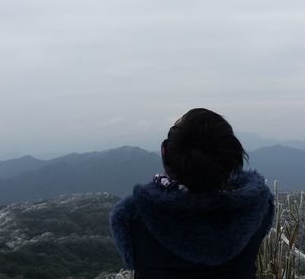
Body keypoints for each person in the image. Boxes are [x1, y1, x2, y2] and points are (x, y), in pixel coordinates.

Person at [110, 108, 274, 279]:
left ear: (166, 154)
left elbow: (132, 262)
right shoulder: (257, 209)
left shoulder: (133, 216)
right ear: (232, 157)